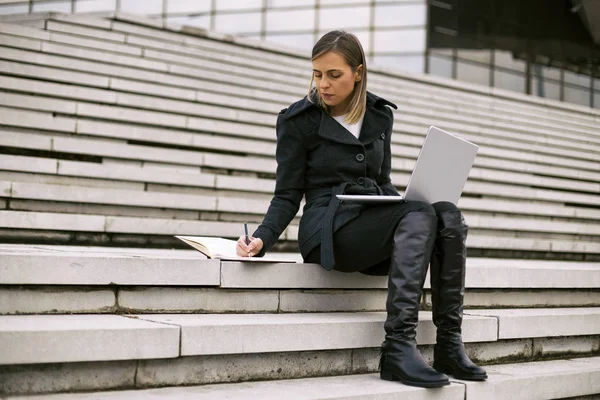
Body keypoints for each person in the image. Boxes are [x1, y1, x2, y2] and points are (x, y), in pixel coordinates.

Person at [236, 30, 487, 388]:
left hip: (367, 219)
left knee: (446, 213)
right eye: (317, 74)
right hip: (327, 227)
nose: (323, 84)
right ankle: (398, 349)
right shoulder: (298, 121)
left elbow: (383, 181)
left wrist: (405, 202)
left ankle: (448, 344)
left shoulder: (380, 116)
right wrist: (262, 238)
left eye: (333, 75)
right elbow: (288, 193)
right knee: (421, 215)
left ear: (358, 73)